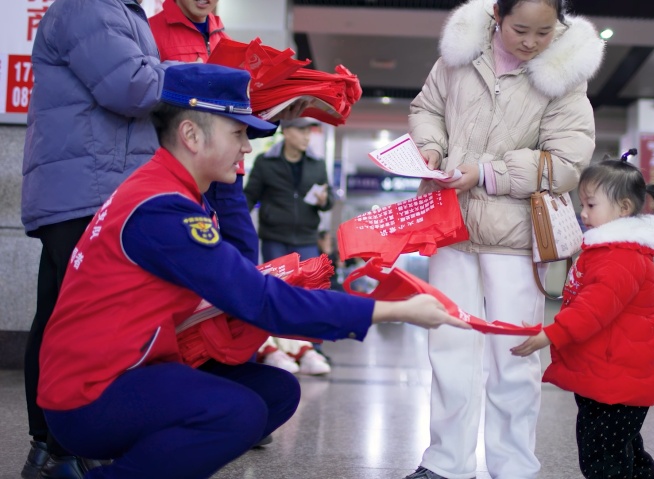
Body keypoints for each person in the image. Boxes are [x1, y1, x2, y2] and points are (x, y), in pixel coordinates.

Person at [36, 63, 470, 479]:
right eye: (238, 133)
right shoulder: (163, 210)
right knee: (237, 413)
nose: (247, 148)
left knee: (276, 393)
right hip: (90, 394)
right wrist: (394, 310)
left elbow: (241, 283)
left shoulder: (171, 191)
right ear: (191, 135)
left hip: (128, 367)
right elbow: (259, 300)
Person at [405, 0, 604, 477]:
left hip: (515, 236)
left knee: (514, 355)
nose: (531, 42)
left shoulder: (564, 76)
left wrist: (487, 173)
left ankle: (514, 467)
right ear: (497, 14)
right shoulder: (459, 55)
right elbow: (427, 108)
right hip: (450, 226)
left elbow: (567, 162)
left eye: (544, 32)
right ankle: (446, 464)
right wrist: (430, 148)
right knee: (448, 348)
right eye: (520, 29)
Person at [19, 1, 168, 476]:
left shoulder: (121, 11)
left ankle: (51, 448)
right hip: (86, 188)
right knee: (79, 324)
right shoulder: (90, 6)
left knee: (62, 317)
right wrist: (194, 78)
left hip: (94, 186)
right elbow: (131, 86)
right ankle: (61, 447)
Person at [512, 158, 654, 479]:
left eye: (591, 204)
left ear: (624, 208)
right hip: (610, 372)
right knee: (619, 447)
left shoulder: (620, 257)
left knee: (602, 456)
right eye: (582, 204)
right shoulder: (609, 251)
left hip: (616, 376)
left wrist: (551, 334)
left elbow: (593, 309)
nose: (583, 213)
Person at [150, 0, 261, 263]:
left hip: (228, 171)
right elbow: (142, 99)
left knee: (245, 252)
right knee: (191, 257)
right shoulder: (151, 32)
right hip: (183, 167)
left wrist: (276, 111)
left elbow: (237, 115)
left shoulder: (226, 40)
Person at [244, 117, 331, 263]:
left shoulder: (317, 164)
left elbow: (330, 198)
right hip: (274, 239)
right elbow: (250, 196)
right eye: (301, 131)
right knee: (276, 278)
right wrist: (239, 225)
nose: (307, 137)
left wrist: (324, 201)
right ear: (286, 132)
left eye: (309, 131)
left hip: (307, 239)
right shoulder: (265, 162)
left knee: (309, 278)